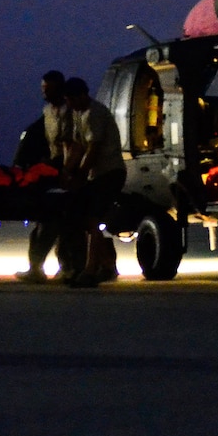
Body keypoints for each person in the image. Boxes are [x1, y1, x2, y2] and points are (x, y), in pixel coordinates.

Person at [62, 76, 126, 287]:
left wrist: (79, 175)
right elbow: (78, 146)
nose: (69, 104)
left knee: (92, 219)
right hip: (96, 175)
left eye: (71, 99)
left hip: (109, 172)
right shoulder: (78, 114)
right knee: (87, 221)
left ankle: (90, 271)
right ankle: (106, 265)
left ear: (82, 95)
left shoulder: (94, 113)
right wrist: (65, 172)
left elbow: (93, 148)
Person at [17, 69, 75, 283]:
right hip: (52, 168)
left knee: (58, 222)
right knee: (48, 221)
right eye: (43, 88)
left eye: (48, 89)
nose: (44, 93)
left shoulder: (70, 111)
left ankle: (62, 267)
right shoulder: (47, 112)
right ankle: (38, 267)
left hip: (67, 169)